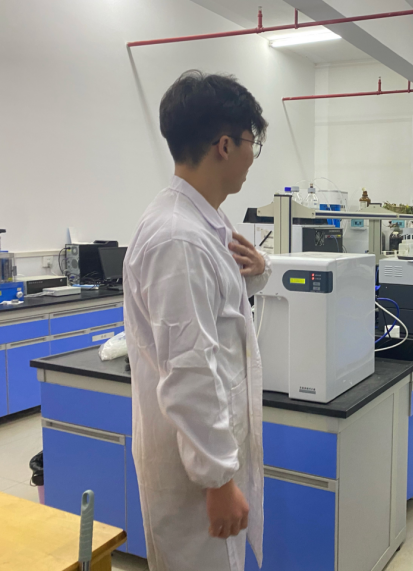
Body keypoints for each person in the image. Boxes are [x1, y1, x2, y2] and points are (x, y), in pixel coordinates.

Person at [123, 70, 270, 571]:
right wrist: (218, 480)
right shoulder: (178, 238)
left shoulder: (207, 221)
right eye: (251, 142)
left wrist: (258, 271)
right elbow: (190, 368)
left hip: (210, 458)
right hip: (194, 478)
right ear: (225, 145)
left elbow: (220, 306)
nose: (252, 157)